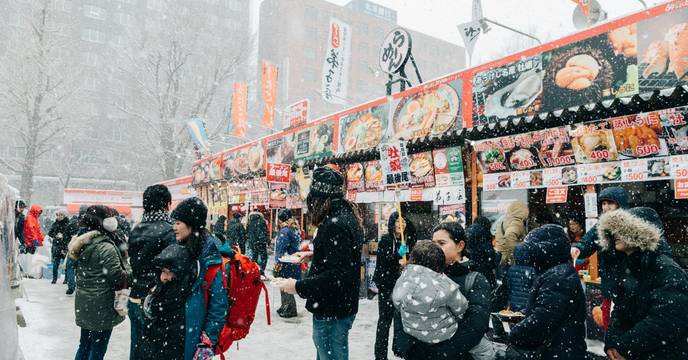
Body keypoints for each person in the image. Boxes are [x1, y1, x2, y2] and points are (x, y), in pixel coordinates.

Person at [278, 167, 364, 360]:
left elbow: (337, 276)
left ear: (319, 198)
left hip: (333, 308)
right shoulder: (345, 217)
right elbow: (343, 260)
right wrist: (315, 255)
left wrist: (298, 286)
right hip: (341, 305)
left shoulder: (334, 224)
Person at [597, 209, 688, 360]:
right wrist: (612, 343)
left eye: (622, 230)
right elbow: (620, 309)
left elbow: (666, 321)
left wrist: (625, 348)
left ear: (640, 234)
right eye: (614, 230)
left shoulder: (665, 269)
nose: (615, 235)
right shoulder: (628, 267)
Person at [394, 222, 492, 360]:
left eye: (441, 243)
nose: (435, 248)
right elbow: (402, 310)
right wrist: (407, 346)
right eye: (433, 243)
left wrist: (440, 353)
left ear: (460, 246)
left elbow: (476, 325)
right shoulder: (419, 276)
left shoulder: (475, 279)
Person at [507, 225, 587, 359]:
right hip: (560, 350)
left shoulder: (559, 276)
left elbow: (543, 319)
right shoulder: (556, 273)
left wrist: (515, 334)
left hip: (559, 352)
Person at [68, 205, 129, 360]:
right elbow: (118, 276)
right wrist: (129, 268)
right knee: (97, 349)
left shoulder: (82, 243)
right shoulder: (105, 246)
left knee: (84, 345)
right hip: (102, 305)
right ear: (107, 223)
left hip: (85, 303)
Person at [170, 197, 228, 360]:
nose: (174, 228)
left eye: (178, 223)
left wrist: (207, 340)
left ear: (192, 224)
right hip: (179, 329)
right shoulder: (182, 247)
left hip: (194, 333)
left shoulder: (210, 256)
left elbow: (219, 304)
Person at [127, 184, 176, 360]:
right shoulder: (170, 230)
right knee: (157, 351)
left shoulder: (136, 229)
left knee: (137, 349)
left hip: (135, 297)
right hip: (156, 300)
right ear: (167, 205)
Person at [392, 240, 469, 344]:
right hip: (444, 334)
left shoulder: (403, 278)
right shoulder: (444, 284)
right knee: (482, 348)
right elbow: (461, 307)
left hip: (412, 332)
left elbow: (397, 301)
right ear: (439, 264)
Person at [373, 212, 418, 360]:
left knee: (401, 320)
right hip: (387, 285)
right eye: (398, 222)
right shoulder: (386, 240)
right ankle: (380, 355)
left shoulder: (407, 240)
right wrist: (397, 256)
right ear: (392, 224)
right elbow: (383, 262)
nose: (401, 224)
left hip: (402, 285)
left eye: (403, 222)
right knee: (385, 321)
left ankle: (398, 349)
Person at [140, 244, 196, 360]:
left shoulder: (180, 298)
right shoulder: (157, 293)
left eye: (170, 272)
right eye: (163, 271)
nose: (165, 277)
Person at [273, 209, 302, 318]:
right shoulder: (295, 228)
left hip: (286, 261)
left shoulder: (285, 231)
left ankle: (289, 308)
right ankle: (285, 306)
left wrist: (278, 261)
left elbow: (281, 248)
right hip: (293, 261)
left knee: (284, 284)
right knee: (287, 284)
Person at [465, 217, 499, 290]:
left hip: (471, 270)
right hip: (484, 270)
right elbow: (490, 256)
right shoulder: (484, 233)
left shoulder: (468, 231)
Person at [495, 201, 529, 267]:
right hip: (507, 260)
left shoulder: (505, 221)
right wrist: (515, 253)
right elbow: (509, 235)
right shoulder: (517, 222)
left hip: (500, 257)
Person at [505, 243, 535, 312]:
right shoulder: (531, 270)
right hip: (526, 303)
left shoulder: (511, 269)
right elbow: (533, 287)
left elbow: (509, 287)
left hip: (513, 302)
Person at [48, 210, 70, 284]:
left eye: (61, 215)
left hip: (64, 246)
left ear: (64, 216)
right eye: (58, 215)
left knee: (66, 264)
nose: (59, 216)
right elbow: (50, 233)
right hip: (56, 246)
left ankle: (66, 279)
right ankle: (54, 278)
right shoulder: (55, 224)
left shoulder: (67, 224)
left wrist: (63, 236)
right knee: (55, 264)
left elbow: (69, 235)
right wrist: (56, 235)